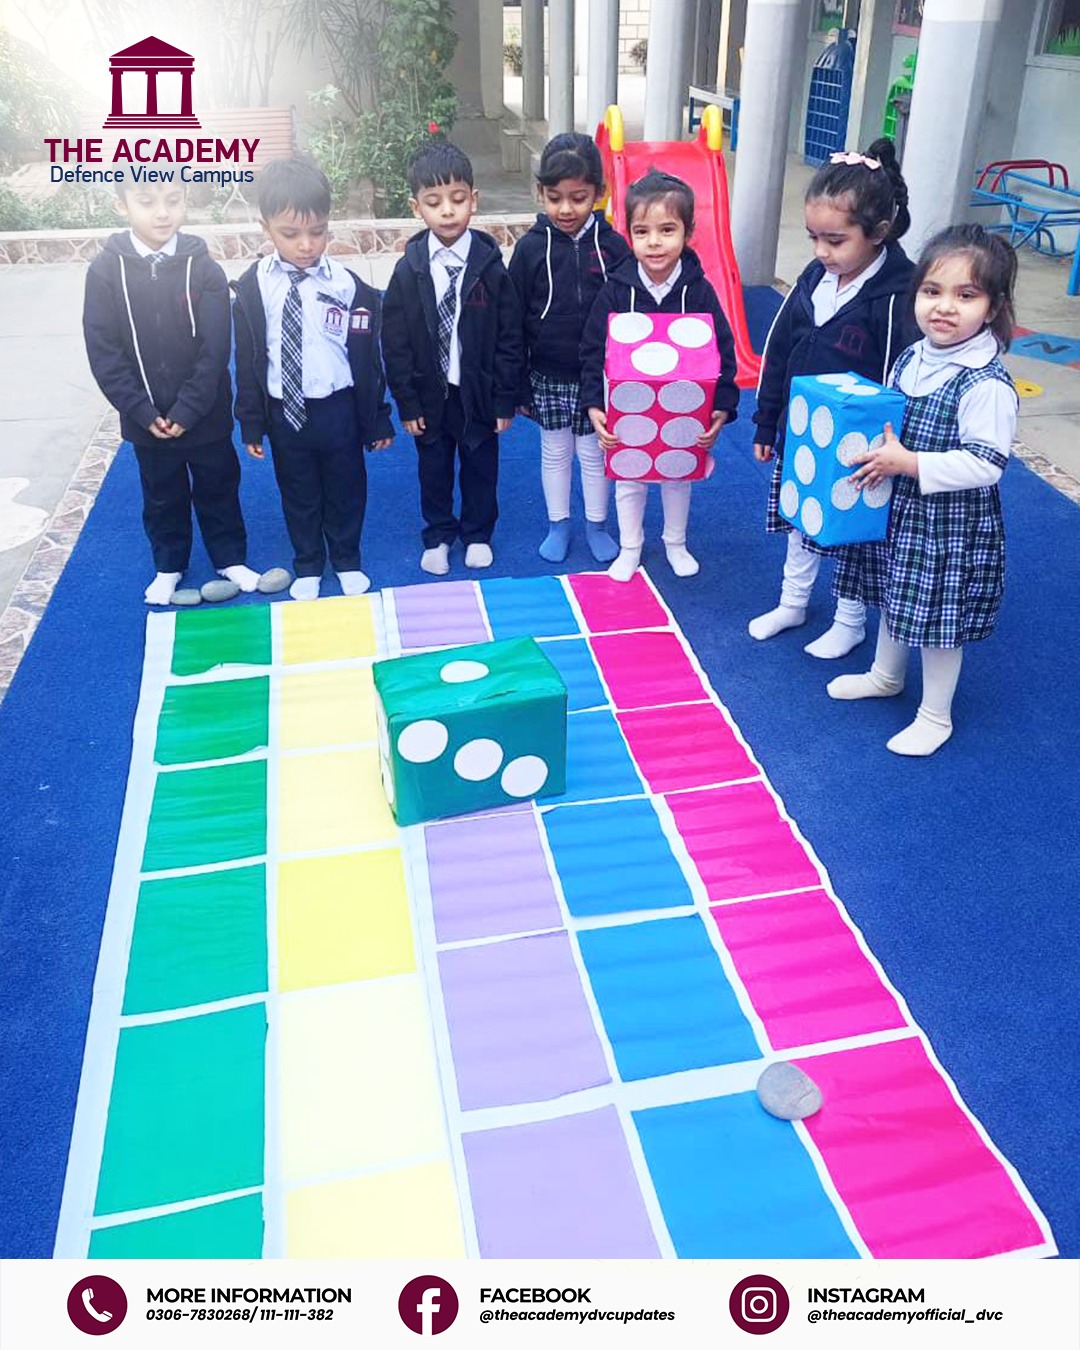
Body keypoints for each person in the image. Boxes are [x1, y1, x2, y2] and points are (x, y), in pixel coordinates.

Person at [826, 223, 1019, 757]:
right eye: (932, 291)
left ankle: (936, 715)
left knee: (938, 619)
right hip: (901, 510)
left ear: (993, 307)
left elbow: (987, 464)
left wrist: (909, 463)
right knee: (897, 593)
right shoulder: (913, 356)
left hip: (947, 524)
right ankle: (885, 674)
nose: (945, 307)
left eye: (966, 295)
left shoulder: (985, 383)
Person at [749, 139, 919, 658]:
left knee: (854, 531)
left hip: (860, 445)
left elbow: (901, 375)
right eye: (814, 237)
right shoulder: (814, 277)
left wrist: (891, 445)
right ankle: (793, 601)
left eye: (836, 240)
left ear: (879, 233)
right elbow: (780, 349)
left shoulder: (898, 295)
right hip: (802, 429)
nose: (822, 251)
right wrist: (767, 420)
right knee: (799, 519)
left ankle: (850, 619)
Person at [83, 179, 260, 606]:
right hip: (147, 420)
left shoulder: (204, 268)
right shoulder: (105, 271)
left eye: (173, 200)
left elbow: (216, 348)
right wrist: (142, 411)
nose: (162, 212)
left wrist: (189, 408)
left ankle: (230, 558)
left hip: (205, 414)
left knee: (219, 486)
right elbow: (104, 351)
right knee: (162, 495)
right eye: (146, 202)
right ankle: (169, 565)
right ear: (122, 205)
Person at [233, 155, 393, 601]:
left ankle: (346, 558)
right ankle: (307, 563)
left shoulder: (349, 287)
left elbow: (367, 358)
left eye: (317, 232)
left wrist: (377, 417)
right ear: (266, 227)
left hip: (338, 409)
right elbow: (248, 358)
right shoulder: (253, 287)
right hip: (285, 412)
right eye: (291, 234)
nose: (306, 245)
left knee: (346, 489)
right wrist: (251, 422)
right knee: (298, 491)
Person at [580, 169, 739, 582]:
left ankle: (675, 542)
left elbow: (723, 350)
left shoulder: (698, 290)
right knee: (628, 478)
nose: (654, 242)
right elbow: (592, 350)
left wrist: (722, 407)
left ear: (688, 233)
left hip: (684, 411)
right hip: (627, 410)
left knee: (677, 475)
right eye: (642, 231)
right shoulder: (616, 290)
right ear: (628, 234)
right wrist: (594, 405)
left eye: (667, 230)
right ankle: (630, 547)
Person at [382, 142, 524, 575]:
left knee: (481, 465)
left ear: (473, 200)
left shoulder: (491, 268)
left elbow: (510, 337)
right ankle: (439, 534)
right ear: (416, 207)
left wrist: (504, 399)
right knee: (434, 467)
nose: (447, 211)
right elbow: (395, 342)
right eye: (434, 202)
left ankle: (478, 533)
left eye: (457, 199)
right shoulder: (408, 270)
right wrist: (407, 401)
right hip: (430, 394)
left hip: (476, 392)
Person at [508, 132, 630, 564]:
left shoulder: (614, 247)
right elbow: (513, 320)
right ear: (540, 192)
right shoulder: (529, 249)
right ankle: (558, 524)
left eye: (578, 198)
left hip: (599, 376)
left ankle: (597, 524)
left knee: (595, 454)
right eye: (555, 197)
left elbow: (629, 313)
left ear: (600, 193)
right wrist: (518, 384)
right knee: (555, 452)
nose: (565, 209)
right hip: (547, 374)